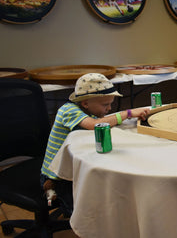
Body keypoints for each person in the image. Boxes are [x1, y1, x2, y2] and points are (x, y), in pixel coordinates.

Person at [40, 73, 149, 214]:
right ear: (85, 103)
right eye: (106, 105)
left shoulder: (87, 111)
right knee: (78, 210)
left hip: (72, 167)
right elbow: (95, 125)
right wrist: (128, 113)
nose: (109, 108)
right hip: (57, 176)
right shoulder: (68, 110)